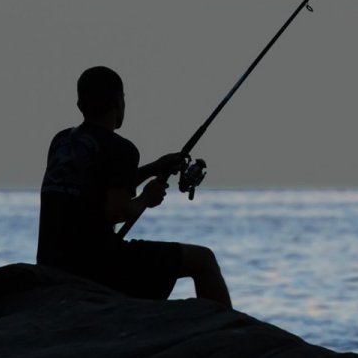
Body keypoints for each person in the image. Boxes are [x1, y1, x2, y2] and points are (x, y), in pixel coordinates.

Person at [37, 65, 232, 307]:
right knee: (203, 260)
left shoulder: (62, 142)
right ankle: (227, 333)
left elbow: (94, 189)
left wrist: (152, 169)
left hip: (52, 263)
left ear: (80, 105)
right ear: (119, 102)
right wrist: (145, 199)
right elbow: (116, 212)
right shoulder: (121, 149)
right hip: (97, 266)